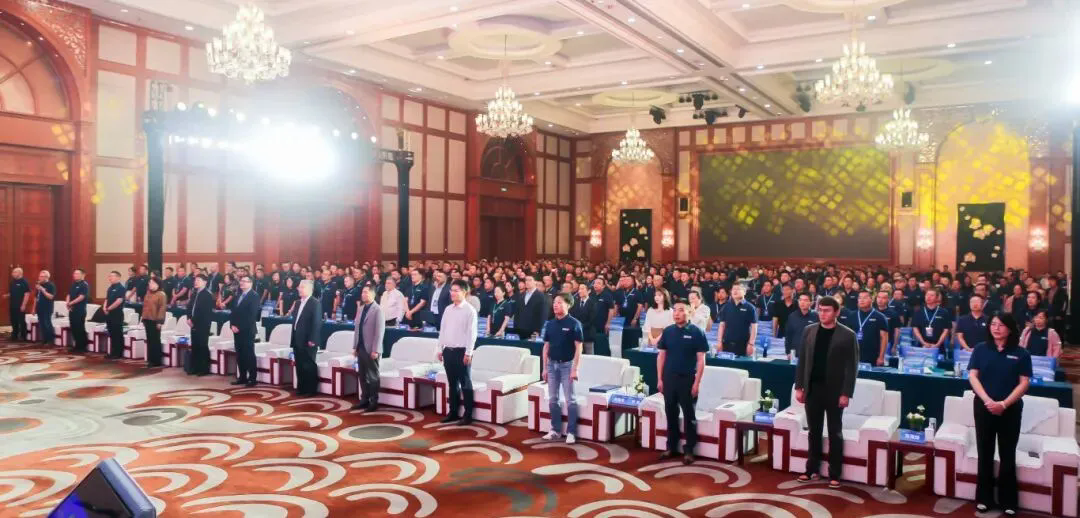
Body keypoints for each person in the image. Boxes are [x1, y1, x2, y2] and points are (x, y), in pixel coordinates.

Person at [968, 313, 1031, 516]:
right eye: (993, 324)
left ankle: (1008, 501)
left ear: (1010, 329)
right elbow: (973, 376)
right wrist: (987, 400)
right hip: (984, 407)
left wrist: (1003, 404)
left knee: (1007, 454)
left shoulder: (1021, 353)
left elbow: (1024, 383)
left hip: (1010, 409)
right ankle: (984, 498)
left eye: (1001, 325)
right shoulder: (981, 349)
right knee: (984, 452)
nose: (996, 328)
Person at [794, 296, 858, 488]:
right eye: (820, 310)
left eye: (827, 310)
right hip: (813, 389)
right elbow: (802, 360)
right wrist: (799, 386)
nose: (822, 314)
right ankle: (811, 469)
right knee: (813, 431)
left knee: (834, 432)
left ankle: (834, 473)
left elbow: (851, 368)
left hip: (835, 391)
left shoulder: (848, 335)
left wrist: (846, 393)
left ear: (836, 312)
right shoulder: (809, 330)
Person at [656, 299, 707, 465]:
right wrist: (659, 378)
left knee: (689, 415)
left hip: (687, 379)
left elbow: (701, 360)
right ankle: (671, 446)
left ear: (689, 312)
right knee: (670, 413)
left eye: (680, 310)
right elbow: (661, 356)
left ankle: (689, 449)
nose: (676, 313)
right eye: (675, 310)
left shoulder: (697, 332)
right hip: (669, 379)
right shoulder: (668, 331)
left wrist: (697, 383)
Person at [541, 292, 584, 444]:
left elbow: (579, 348)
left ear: (568, 305)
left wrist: (575, 368)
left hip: (567, 365)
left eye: (559, 302)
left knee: (570, 400)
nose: (555, 305)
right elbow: (546, 347)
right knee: (553, 399)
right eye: (554, 302)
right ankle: (555, 430)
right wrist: (544, 368)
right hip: (551, 365)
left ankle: (571, 432)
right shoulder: (550, 324)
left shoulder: (574, 324)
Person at [437, 279, 478, 424]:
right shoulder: (448, 309)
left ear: (464, 292)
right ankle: (453, 412)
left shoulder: (470, 310)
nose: (452, 293)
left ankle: (468, 415)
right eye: (451, 290)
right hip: (448, 351)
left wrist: (469, 353)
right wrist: (439, 349)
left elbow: (472, 334)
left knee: (465, 383)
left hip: (462, 352)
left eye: (456, 290)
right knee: (452, 383)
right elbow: (442, 330)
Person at [352, 285, 385, 411]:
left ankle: (374, 401)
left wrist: (376, 349)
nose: (363, 294)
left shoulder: (378, 309)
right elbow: (357, 329)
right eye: (362, 292)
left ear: (372, 294)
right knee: (362, 375)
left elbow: (379, 332)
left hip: (371, 349)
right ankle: (364, 399)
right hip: (361, 347)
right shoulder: (361, 308)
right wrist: (355, 346)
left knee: (373, 376)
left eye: (366, 292)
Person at [839, 291, 889, 366]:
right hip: (853, 354)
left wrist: (881, 357)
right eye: (860, 298)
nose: (862, 300)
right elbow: (846, 337)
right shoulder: (851, 315)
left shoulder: (880, 317)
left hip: (872, 355)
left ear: (872, 299)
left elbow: (884, 338)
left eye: (865, 298)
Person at [291, 280, 322, 397]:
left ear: (309, 289)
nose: (299, 289)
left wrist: (313, 339)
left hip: (309, 340)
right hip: (297, 338)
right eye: (299, 287)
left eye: (302, 287)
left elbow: (316, 323)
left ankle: (311, 389)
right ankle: (302, 388)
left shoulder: (315, 303)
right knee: (299, 364)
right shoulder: (298, 302)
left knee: (308, 365)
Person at [230, 275, 261, 386]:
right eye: (241, 281)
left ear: (250, 283)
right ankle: (242, 377)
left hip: (247, 330)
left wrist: (239, 327)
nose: (241, 283)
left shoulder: (254, 296)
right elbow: (233, 312)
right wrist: (232, 325)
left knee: (249, 355)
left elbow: (252, 315)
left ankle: (252, 379)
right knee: (240, 354)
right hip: (236, 330)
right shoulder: (238, 295)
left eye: (244, 281)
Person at [911, 287, 952, 357]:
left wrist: (937, 344)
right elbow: (915, 328)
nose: (928, 297)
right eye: (927, 295)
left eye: (932, 295)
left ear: (937, 298)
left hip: (938, 345)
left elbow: (946, 330)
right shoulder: (918, 311)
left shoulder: (944, 312)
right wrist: (923, 342)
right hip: (922, 345)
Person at [718, 284, 758, 357]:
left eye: (738, 289)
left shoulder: (750, 307)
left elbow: (754, 327)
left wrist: (751, 344)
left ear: (744, 292)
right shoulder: (726, 306)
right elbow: (722, 325)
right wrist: (719, 342)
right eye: (733, 289)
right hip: (726, 343)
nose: (735, 291)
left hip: (743, 345)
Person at [187, 274, 214, 375]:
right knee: (195, 345)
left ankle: (204, 369)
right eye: (195, 280)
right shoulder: (194, 293)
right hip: (193, 323)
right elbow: (189, 307)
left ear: (205, 282)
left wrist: (193, 320)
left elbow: (204, 312)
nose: (196, 282)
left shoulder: (207, 295)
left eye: (198, 280)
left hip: (202, 324)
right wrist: (188, 318)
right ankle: (195, 367)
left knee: (202, 345)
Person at [140, 277, 166, 367]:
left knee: (155, 340)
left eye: (152, 283)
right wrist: (143, 318)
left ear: (157, 284)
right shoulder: (148, 293)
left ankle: (156, 361)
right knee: (150, 340)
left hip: (155, 320)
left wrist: (160, 321)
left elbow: (162, 308)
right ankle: (150, 359)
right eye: (149, 283)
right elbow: (145, 306)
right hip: (147, 319)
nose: (150, 284)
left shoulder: (161, 294)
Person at [103, 271, 126, 359]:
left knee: (117, 333)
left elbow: (119, 301)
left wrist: (108, 309)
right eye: (109, 276)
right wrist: (104, 308)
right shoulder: (110, 288)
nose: (110, 278)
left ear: (118, 277)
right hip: (109, 314)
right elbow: (106, 299)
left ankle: (118, 353)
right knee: (111, 333)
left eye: (112, 276)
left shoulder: (121, 288)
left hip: (117, 314)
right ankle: (113, 352)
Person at [589, 278, 615, 356]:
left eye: (598, 283)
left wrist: (608, 323)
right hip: (592, 325)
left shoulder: (607, 295)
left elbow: (611, 310)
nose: (595, 285)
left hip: (602, 324)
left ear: (603, 286)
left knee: (602, 343)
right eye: (595, 283)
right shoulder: (591, 295)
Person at [66, 269, 90, 352]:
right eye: (74, 273)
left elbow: (81, 297)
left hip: (80, 310)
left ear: (83, 275)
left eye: (77, 273)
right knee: (74, 328)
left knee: (79, 328)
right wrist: (67, 303)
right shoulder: (73, 284)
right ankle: (77, 345)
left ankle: (82, 346)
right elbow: (69, 294)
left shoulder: (84, 285)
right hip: (72, 310)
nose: (74, 275)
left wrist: (71, 303)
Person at [5, 267, 30, 341]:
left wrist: (23, 305)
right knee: (13, 320)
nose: (12, 274)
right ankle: (14, 335)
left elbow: (27, 294)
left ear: (19, 273)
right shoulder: (12, 282)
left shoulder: (24, 282)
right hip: (13, 305)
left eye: (14, 272)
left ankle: (23, 336)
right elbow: (12, 293)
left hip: (20, 305)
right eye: (13, 272)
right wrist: (7, 295)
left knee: (21, 321)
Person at [569, 284, 596, 354]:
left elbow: (592, 320)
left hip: (588, 334)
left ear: (589, 291)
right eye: (579, 289)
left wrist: (580, 326)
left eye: (582, 289)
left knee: (589, 355)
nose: (579, 291)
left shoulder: (593, 303)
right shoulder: (575, 302)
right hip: (576, 335)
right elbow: (571, 316)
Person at [34, 270, 56, 345]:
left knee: (47, 323)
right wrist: (34, 308)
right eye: (39, 276)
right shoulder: (39, 285)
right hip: (39, 307)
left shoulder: (51, 285)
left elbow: (51, 297)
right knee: (41, 324)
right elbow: (36, 297)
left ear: (47, 277)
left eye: (42, 276)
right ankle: (44, 339)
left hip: (47, 308)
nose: (39, 278)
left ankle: (50, 340)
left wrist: (42, 290)